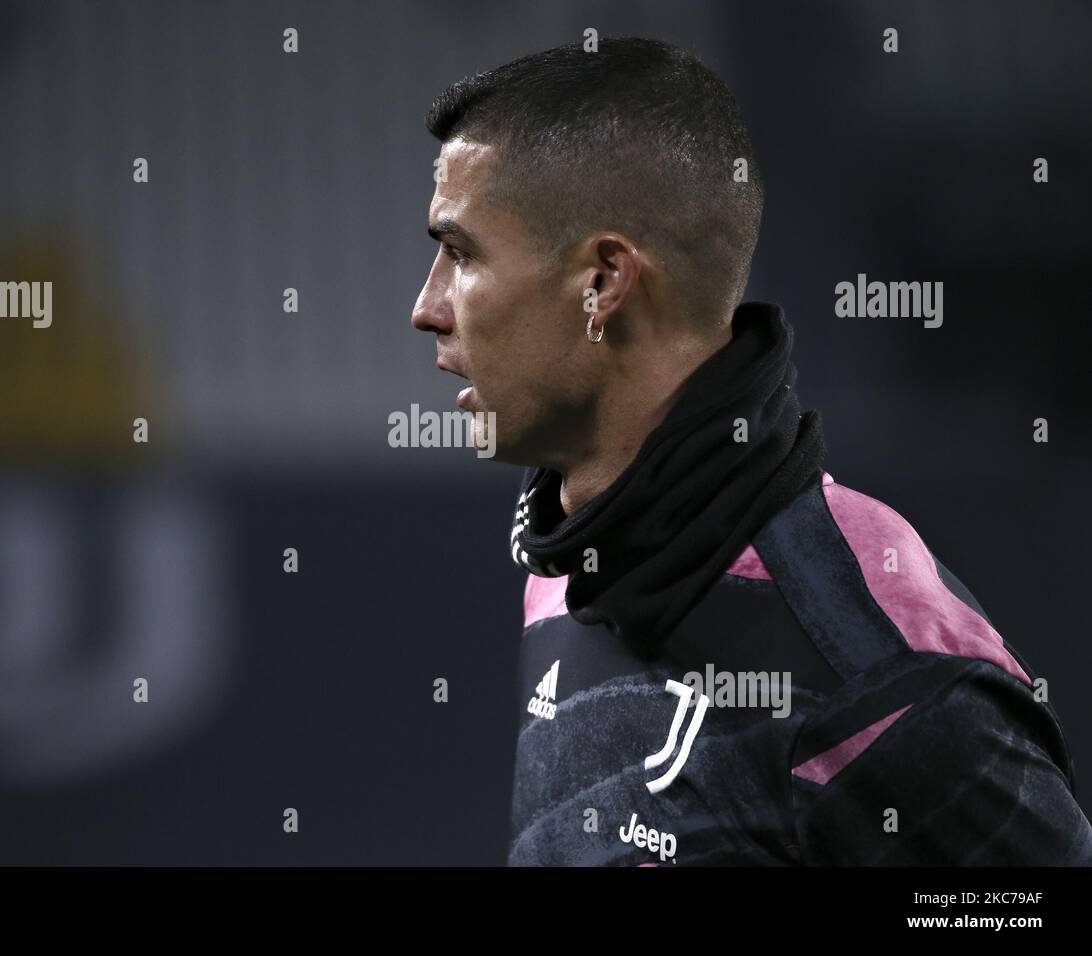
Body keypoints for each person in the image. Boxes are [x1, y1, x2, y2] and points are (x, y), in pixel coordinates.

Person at [410, 36, 1092, 865]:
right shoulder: (565, 573)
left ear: (604, 282)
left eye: (462, 254)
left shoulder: (881, 671)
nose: (427, 307)